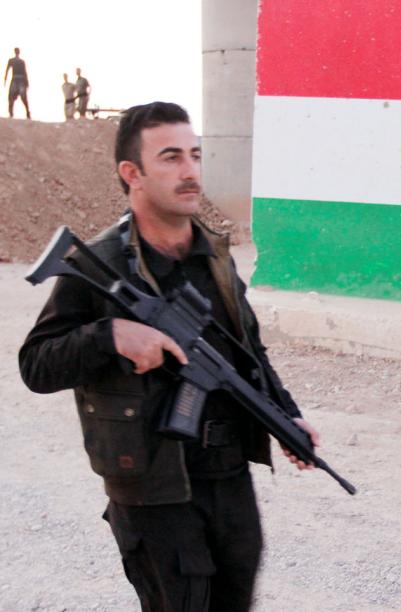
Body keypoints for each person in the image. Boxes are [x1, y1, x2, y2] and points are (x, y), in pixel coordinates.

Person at [19, 101, 321, 610]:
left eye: (196, 155)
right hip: (153, 487)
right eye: (171, 157)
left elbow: (248, 353)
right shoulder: (99, 265)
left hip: (228, 478)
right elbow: (36, 364)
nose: (190, 172)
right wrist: (109, 335)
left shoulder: (215, 256)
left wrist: (286, 416)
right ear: (131, 173)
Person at [4, 47, 30, 119]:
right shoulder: (12, 61)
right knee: (11, 96)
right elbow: (7, 70)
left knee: (23, 97)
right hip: (16, 79)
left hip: (20, 80)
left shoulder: (21, 61)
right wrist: (5, 79)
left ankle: (27, 112)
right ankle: (11, 113)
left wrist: (26, 82)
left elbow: (25, 72)